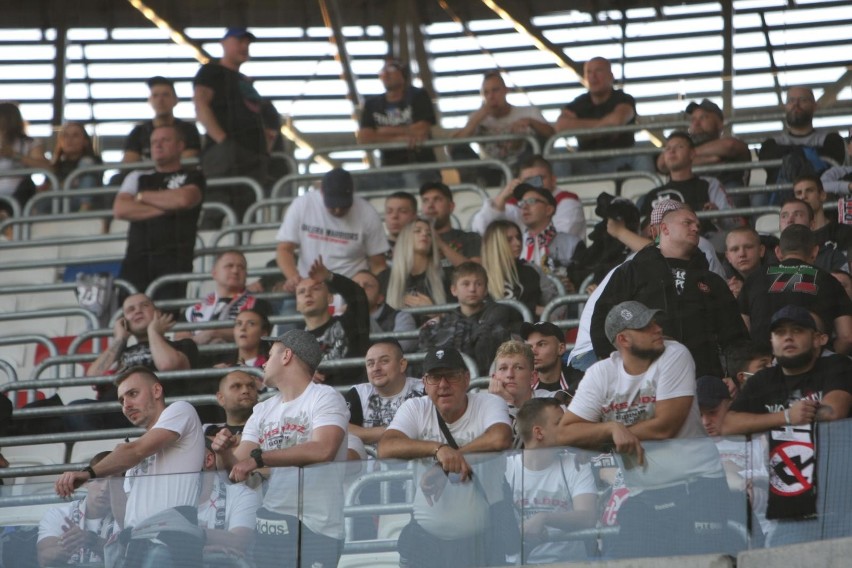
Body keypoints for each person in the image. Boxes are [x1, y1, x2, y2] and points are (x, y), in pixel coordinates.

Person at [559, 301, 731, 558]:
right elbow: (564, 433)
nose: (658, 329)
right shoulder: (601, 373)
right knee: (625, 559)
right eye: (646, 326)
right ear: (623, 339)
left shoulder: (675, 353)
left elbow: (665, 426)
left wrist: (605, 435)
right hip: (643, 492)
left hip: (698, 484)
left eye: (655, 322)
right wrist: (611, 429)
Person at [210, 329, 350, 568]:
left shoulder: (325, 397)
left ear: (286, 356)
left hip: (316, 527)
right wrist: (222, 452)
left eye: (270, 354)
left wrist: (259, 458)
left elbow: (323, 449)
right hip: (271, 524)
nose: (263, 362)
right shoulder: (263, 409)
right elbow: (235, 471)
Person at [722, 305, 852, 544]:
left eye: (797, 330)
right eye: (780, 333)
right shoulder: (763, 380)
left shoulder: (837, 365)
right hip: (791, 510)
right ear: (772, 342)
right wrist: (787, 417)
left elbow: (834, 411)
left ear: (818, 339)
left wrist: (773, 419)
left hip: (844, 502)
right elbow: (728, 425)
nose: (788, 337)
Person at [377, 347, 513, 568]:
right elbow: (386, 447)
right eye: (434, 377)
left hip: (481, 544)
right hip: (426, 545)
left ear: (467, 378)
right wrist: (438, 449)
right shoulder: (415, 407)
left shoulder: (488, 402)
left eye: (451, 375)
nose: (443, 384)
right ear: (424, 382)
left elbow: (500, 438)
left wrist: (446, 465)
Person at [591, 204, 748, 377]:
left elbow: (735, 337)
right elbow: (604, 320)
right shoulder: (632, 271)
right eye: (687, 223)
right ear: (664, 228)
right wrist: (619, 373)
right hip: (646, 381)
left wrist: (734, 376)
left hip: (704, 382)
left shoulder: (712, 281)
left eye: (698, 225)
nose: (695, 227)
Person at [56, 367, 205, 543]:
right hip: (137, 545)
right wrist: (114, 471)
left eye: (133, 394)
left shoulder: (181, 410)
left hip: (170, 540)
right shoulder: (133, 451)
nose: (126, 405)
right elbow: (124, 518)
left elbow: (135, 450)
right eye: (121, 400)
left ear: (156, 391)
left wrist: (89, 473)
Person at [113, 124, 205, 302]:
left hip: (174, 262)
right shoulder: (137, 176)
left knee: (166, 321)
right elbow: (120, 209)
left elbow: (184, 199)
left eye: (165, 140)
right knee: (126, 321)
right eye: (154, 141)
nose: (157, 145)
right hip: (136, 262)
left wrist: (141, 197)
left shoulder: (193, 176)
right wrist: (168, 206)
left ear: (180, 146)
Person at [507, 398, 597, 564]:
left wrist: (545, 518)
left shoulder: (576, 463)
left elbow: (588, 517)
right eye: (559, 423)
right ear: (539, 433)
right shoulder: (507, 468)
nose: (567, 428)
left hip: (570, 565)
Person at [738, 223, 852, 355]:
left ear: (778, 252)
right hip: (816, 367)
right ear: (815, 252)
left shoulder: (753, 279)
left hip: (765, 368)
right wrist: (825, 358)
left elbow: (742, 333)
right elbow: (847, 337)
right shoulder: (829, 280)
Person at [276, 167, 389, 293]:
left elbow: (378, 264)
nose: (337, 210)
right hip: (310, 286)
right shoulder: (303, 205)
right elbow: (284, 249)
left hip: (351, 288)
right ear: (322, 192)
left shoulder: (367, 213)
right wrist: (293, 277)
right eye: (332, 205)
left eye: (343, 206)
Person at [193, 28, 267, 206]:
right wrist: (223, 141)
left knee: (248, 210)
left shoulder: (243, 80)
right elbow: (200, 104)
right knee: (218, 205)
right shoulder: (211, 71)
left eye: (247, 43)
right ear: (223, 43)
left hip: (251, 156)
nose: (245, 46)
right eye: (239, 41)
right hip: (226, 154)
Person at [419, 261, 523, 376]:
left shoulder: (499, 313)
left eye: (478, 284)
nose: (472, 289)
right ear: (454, 290)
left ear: (485, 290)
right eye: (466, 284)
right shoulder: (443, 323)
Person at [554, 57, 651, 176]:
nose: (593, 76)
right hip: (586, 162)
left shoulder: (624, 99)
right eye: (589, 72)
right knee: (560, 156)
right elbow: (560, 126)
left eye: (598, 71)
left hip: (621, 158)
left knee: (642, 154)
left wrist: (583, 129)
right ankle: (560, 195)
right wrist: (603, 126)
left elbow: (616, 121)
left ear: (611, 76)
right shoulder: (579, 103)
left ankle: (648, 194)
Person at [451, 71, 554, 184]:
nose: (491, 96)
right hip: (488, 169)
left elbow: (551, 135)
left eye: (495, 90)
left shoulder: (528, 112)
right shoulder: (476, 117)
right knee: (459, 150)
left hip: (521, 165)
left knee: (536, 142)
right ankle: (473, 184)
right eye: (486, 92)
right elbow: (453, 145)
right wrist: (474, 122)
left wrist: (531, 123)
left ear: (506, 90)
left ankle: (531, 182)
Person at [356, 58, 438, 189]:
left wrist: (382, 131)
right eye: (383, 71)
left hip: (421, 167)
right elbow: (363, 138)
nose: (386, 74)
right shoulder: (372, 104)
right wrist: (402, 138)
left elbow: (421, 130)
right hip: (389, 169)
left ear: (403, 73)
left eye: (391, 69)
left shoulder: (418, 95)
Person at [640, 130, 741, 235]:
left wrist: (717, 215)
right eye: (668, 148)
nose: (672, 151)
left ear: (692, 153)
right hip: (662, 248)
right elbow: (643, 231)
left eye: (679, 147)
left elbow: (734, 223)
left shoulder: (709, 184)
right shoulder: (653, 195)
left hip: (703, 243)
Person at [470, 154, 586, 241]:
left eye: (540, 178)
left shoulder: (567, 201)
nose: (535, 184)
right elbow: (480, 230)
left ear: (553, 180)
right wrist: (502, 197)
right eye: (528, 180)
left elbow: (560, 238)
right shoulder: (516, 203)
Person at [297, 257, 372, 386]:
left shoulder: (350, 323)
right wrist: (301, 374)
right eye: (301, 292)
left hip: (353, 396)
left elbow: (358, 296)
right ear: (297, 305)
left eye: (316, 288)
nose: (308, 294)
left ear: (330, 298)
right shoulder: (293, 343)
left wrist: (329, 277)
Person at [758, 86, 846, 193]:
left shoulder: (831, 139)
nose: (796, 105)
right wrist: (808, 153)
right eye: (791, 100)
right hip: (781, 198)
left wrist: (791, 153)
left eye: (803, 100)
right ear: (785, 106)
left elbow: (835, 161)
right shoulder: (771, 143)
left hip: (820, 196)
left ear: (814, 106)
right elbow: (768, 166)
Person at [657, 99, 751, 198]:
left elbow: (730, 145)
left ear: (720, 124)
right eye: (693, 119)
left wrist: (686, 156)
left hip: (725, 197)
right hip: (690, 196)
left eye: (703, 117)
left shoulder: (731, 142)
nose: (696, 123)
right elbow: (662, 163)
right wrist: (708, 158)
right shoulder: (685, 145)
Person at [37, 452, 116, 567]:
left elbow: (128, 558)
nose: (104, 488)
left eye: (113, 482)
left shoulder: (127, 516)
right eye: (99, 480)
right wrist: (68, 545)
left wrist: (90, 540)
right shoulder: (58, 514)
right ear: (85, 482)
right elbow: (44, 558)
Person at [179, 250, 271, 345]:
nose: (235, 271)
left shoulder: (258, 304)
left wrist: (213, 333)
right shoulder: (193, 309)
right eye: (229, 266)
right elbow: (180, 339)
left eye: (241, 267)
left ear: (246, 274)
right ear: (214, 273)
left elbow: (256, 331)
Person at [343, 339, 422, 448]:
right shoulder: (358, 393)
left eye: (384, 361)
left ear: (402, 364)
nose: (376, 368)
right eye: (370, 364)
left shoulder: (424, 390)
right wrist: (394, 432)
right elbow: (339, 428)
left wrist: (367, 434)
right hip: (369, 464)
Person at [514, 182, 586, 293]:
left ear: (549, 210)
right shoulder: (514, 243)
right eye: (521, 203)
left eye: (531, 201)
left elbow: (582, 283)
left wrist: (573, 287)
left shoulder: (572, 244)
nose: (524, 206)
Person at [196, 435, 260, 560]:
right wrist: (199, 549)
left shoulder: (241, 494)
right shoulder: (166, 496)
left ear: (207, 460)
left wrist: (188, 536)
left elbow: (238, 541)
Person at [487, 340, 556, 443]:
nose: (510, 374)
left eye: (518, 368)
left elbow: (526, 444)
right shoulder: (483, 408)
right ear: (494, 377)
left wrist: (509, 404)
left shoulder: (550, 403)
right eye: (503, 368)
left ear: (533, 377)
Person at [123, 76, 201, 163]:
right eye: (155, 96)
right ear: (150, 101)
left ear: (175, 100)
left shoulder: (188, 130)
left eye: (165, 95)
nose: (160, 100)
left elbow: (188, 159)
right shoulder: (139, 132)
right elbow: (129, 162)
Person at [385, 218, 448, 316]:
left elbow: (455, 321)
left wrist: (434, 312)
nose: (424, 234)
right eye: (417, 231)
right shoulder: (386, 278)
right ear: (405, 238)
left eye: (429, 234)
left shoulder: (445, 277)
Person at [481, 219, 543, 318]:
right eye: (509, 240)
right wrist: (532, 309)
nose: (518, 243)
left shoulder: (530, 272)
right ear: (495, 244)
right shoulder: (480, 276)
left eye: (518, 237)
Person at [0, 101, 50, 216]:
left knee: (27, 184)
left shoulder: (29, 143)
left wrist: (15, 156)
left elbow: (46, 167)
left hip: (18, 192)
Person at [774, 197, 848, 273]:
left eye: (798, 215)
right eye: (784, 216)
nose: (790, 220)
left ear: (812, 224)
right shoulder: (767, 258)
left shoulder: (832, 258)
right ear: (779, 225)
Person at [351, 269, 418, 353]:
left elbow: (402, 347)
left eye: (367, 285)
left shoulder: (401, 317)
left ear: (380, 298)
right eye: (355, 285)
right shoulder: (337, 318)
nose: (360, 288)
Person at [419, 181, 482, 265]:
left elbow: (477, 272)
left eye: (437, 199)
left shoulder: (471, 238)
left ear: (451, 206)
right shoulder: (413, 240)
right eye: (425, 200)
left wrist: (441, 244)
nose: (430, 205)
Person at [793, 174, 852, 257]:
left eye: (809, 190)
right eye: (799, 193)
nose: (803, 196)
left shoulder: (844, 232)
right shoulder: (793, 238)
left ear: (822, 196)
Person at [48, 122, 103, 211]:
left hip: (91, 205)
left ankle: (84, 209)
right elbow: (49, 189)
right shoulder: (57, 165)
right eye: (65, 135)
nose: (69, 140)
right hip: (60, 205)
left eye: (75, 135)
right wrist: (72, 182)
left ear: (85, 141)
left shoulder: (94, 161)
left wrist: (64, 185)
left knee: (87, 164)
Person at [521, 322, 578, 395]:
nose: (533, 352)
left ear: (560, 348)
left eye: (541, 344)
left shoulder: (581, 384)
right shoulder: (521, 385)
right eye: (530, 347)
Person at [211, 370, 260, 437]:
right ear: (221, 398)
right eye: (237, 386)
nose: (245, 390)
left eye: (251, 386)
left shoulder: (272, 427)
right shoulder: (208, 432)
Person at [723, 227, 767, 299]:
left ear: (761, 251)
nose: (742, 254)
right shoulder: (723, 284)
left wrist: (745, 292)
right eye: (735, 249)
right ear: (728, 257)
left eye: (748, 247)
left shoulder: (781, 272)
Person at [383, 190, 418, 260]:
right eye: (389, 211)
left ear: (414, 216)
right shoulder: (375, 250)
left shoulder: (423, 247)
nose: (394, 216)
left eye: (403, 211)